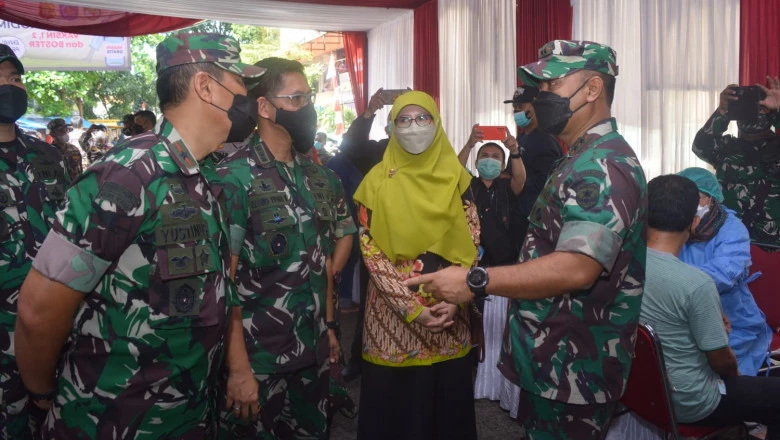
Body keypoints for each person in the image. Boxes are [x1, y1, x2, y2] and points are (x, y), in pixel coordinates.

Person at [13, 32, 264, 438]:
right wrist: (41, 392)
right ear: (205, 87)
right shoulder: (130, 173)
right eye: (241, 87)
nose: (247, 102)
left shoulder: (198, 174)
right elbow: (40, 309)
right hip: (113, 419)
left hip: (183, 414)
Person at [407, 40, 647, 440]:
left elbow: (576, 267)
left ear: (592, 90)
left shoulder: (602, 166)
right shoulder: (580, 156)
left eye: (550, 87)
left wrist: (474, 281)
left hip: (576, 367)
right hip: (556, 355)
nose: (539, 98)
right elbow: (546, 251)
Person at [216, 57, 355, 439]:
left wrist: (328, 327)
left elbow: (323, 259)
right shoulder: (232, 178)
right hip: (259, 357)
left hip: (312, 351)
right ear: (264, 107)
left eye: (308, 98)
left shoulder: (319, 175)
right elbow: (222, 283)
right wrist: (239, 370)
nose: (306, 108)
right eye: (295, 99)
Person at [353, 90, 478, 440]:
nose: (413, 127)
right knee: (397, 415)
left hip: (450, 312)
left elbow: (472, 239)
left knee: (446, 410)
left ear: (436, 124)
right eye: (404, 120)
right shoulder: (375, 181)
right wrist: (411, 308)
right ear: (392, 127)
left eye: (422, 118)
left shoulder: (457, 177)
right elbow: (371, 252)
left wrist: (455, 299)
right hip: (392, 320)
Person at [640, 174, 780, 439]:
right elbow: (723, 364)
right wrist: (685, 286)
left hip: (731, 326)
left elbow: (726, 272)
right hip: (694, 394)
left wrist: (681, 284)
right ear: (690, 220)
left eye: (701, 198)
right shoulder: (693, 284)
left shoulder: (634, 264)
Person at [0, 43, 70, 440]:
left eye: (14, 79)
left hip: (54, 326)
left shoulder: (47, 156)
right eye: (0, 80)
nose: (10, 87)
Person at [676, 167, 772, 376]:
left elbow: (723, 273)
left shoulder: (732, 229)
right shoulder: (676, 224)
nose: (685, 204)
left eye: (694, 198)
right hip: (684, 315)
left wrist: (671, 283)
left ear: (709, 200)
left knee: (722, 379)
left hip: (732, 320)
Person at [464, 139, 527, 405]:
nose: (489, 160)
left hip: (503, 267)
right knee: (474, 326)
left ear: (501, 165)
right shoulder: (468, 186)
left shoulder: (506, 187)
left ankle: (499, 380)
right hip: (473, 266)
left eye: (494, 157)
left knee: (499, 328)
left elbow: (521, 178)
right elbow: (454, 167)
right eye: (484, 156)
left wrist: (514, 151)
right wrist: (469, 143)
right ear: (477, 163)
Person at [692, 79, 780, 247]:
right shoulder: (726, 149)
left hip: (772, 247)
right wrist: (722, 112)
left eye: (762, 108)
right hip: (727, 244)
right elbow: (700, 146)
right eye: (750, 107)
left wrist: (778, 110)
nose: (756, 113)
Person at [506, 86, 565, 239]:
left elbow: (547, 184)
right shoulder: (521, 138)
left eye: (520, 107)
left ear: (536, 108)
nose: (516, 112)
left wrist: (516, 182)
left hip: (533, 219)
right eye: (514, 108)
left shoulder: (545, 141)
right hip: (516, 217)